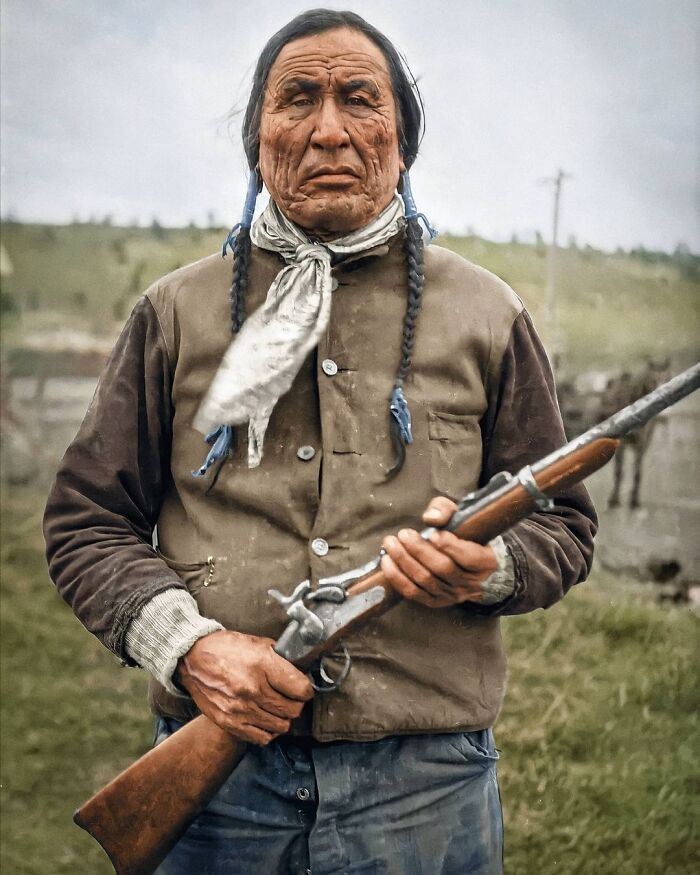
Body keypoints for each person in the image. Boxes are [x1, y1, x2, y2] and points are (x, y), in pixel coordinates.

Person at [43, 9, 596, 874]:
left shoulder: (490, 312)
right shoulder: (174, 311)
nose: (329, 129)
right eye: (297, 99)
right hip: (221, 777)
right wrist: (192, 648)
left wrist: (488, 568)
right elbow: (86, 522)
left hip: (428, 785)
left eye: (359, 100)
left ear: (401, 143)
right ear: (258, 141)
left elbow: (562, 524)